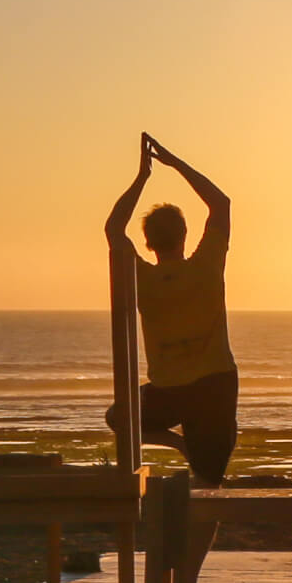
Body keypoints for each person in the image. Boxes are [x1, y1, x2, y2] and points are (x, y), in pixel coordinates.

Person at [103, 133, 239, 486]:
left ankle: (178, 443)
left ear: (147, 243)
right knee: (209, 482)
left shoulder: (140, 278)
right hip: (215, 386)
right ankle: (186, 448)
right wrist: (175, 163)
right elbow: (220, 203)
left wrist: (142, 177)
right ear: (184, 235)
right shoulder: (206, 266)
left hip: (170, 392)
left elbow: (114, 228)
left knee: (119, 416)